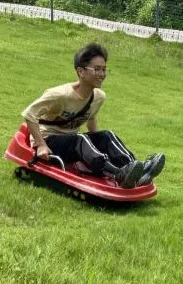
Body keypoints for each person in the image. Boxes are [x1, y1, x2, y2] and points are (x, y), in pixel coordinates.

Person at [21, 43, 165, 188]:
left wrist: (100, 141)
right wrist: (41, 145)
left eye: (104, 69)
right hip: (50, 140)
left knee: (106, 135)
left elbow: (91, 118)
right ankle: (116, 174)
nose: (102, 74)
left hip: (72, 139)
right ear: (81, 71)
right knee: (81, 139)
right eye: (97, 69)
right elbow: (29, 114)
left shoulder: (98, 97)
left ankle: (135, 169)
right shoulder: (59, 95)